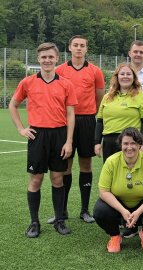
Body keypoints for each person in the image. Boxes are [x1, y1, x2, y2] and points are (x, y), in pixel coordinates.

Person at [9, 42, 77, 237]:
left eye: (50, 57)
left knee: (57, 178)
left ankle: (59, 220)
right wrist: (21, 129)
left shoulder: (65, 83)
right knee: (36, 179)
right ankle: (34, 222)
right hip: (37, 135)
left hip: (59, 134)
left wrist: (69, 141)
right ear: (38, 60)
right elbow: (13, 105)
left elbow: (71, 114)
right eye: (43, 57)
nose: (47, 60)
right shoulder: (28, 82)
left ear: (57, 59)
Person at [46, 35, 105, 225]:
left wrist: (89, 113)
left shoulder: (95, 71)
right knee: (65, 166)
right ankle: (61, 211)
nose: (79, 48)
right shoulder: (60, 70)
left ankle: (85, 210)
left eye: (82, 46)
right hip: (65, 121)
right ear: (69, 48)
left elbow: (99, 97)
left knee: (86, 165)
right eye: (75, 45)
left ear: (87, 49)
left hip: (88, 121)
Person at [93, 128, 143, 253]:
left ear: (140, 145)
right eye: (125, 143)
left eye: (133, 143)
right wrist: (122, 210)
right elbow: (103, 192)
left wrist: (138, 212)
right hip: (119, 203)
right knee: (100, 211)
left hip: (142, 203)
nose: (129, 147)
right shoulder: (111, 162)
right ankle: (115, 236)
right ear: (120, 145)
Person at [95, 63, 143, 163]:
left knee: (131, 175)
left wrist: (141, 143)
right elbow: (100, 121)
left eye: (128, 74)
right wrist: (97, 142)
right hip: (109, 143)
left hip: (131, 142)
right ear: (117, 77)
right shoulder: (107, 97)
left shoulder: (142, 97)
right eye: (122, 74)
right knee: (111, 174)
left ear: (134, 77)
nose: (125, 76)